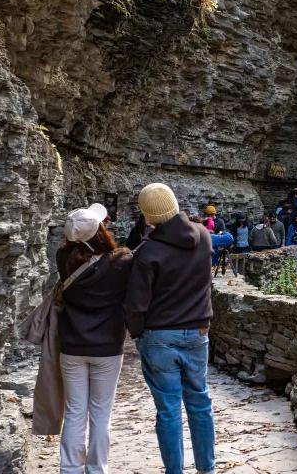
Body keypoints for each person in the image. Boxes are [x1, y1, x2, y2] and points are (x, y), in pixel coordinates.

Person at [124, 183, 216, 474]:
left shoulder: (148, 252)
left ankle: (174, 471)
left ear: (148, 217)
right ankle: (207, 468)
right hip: (198, 330)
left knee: (168, 410)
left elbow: (136, 304)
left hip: (159, 335)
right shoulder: (203, 237)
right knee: (200, 401)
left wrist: (137, 333)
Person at [57, 203, 133, 474]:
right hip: (107, 347)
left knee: (75, 412)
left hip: (72, 345)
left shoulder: (62, 258)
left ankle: (69, 469)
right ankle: (97, 469)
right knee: (101, 413)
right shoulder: (121, 261)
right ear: (101, 229)